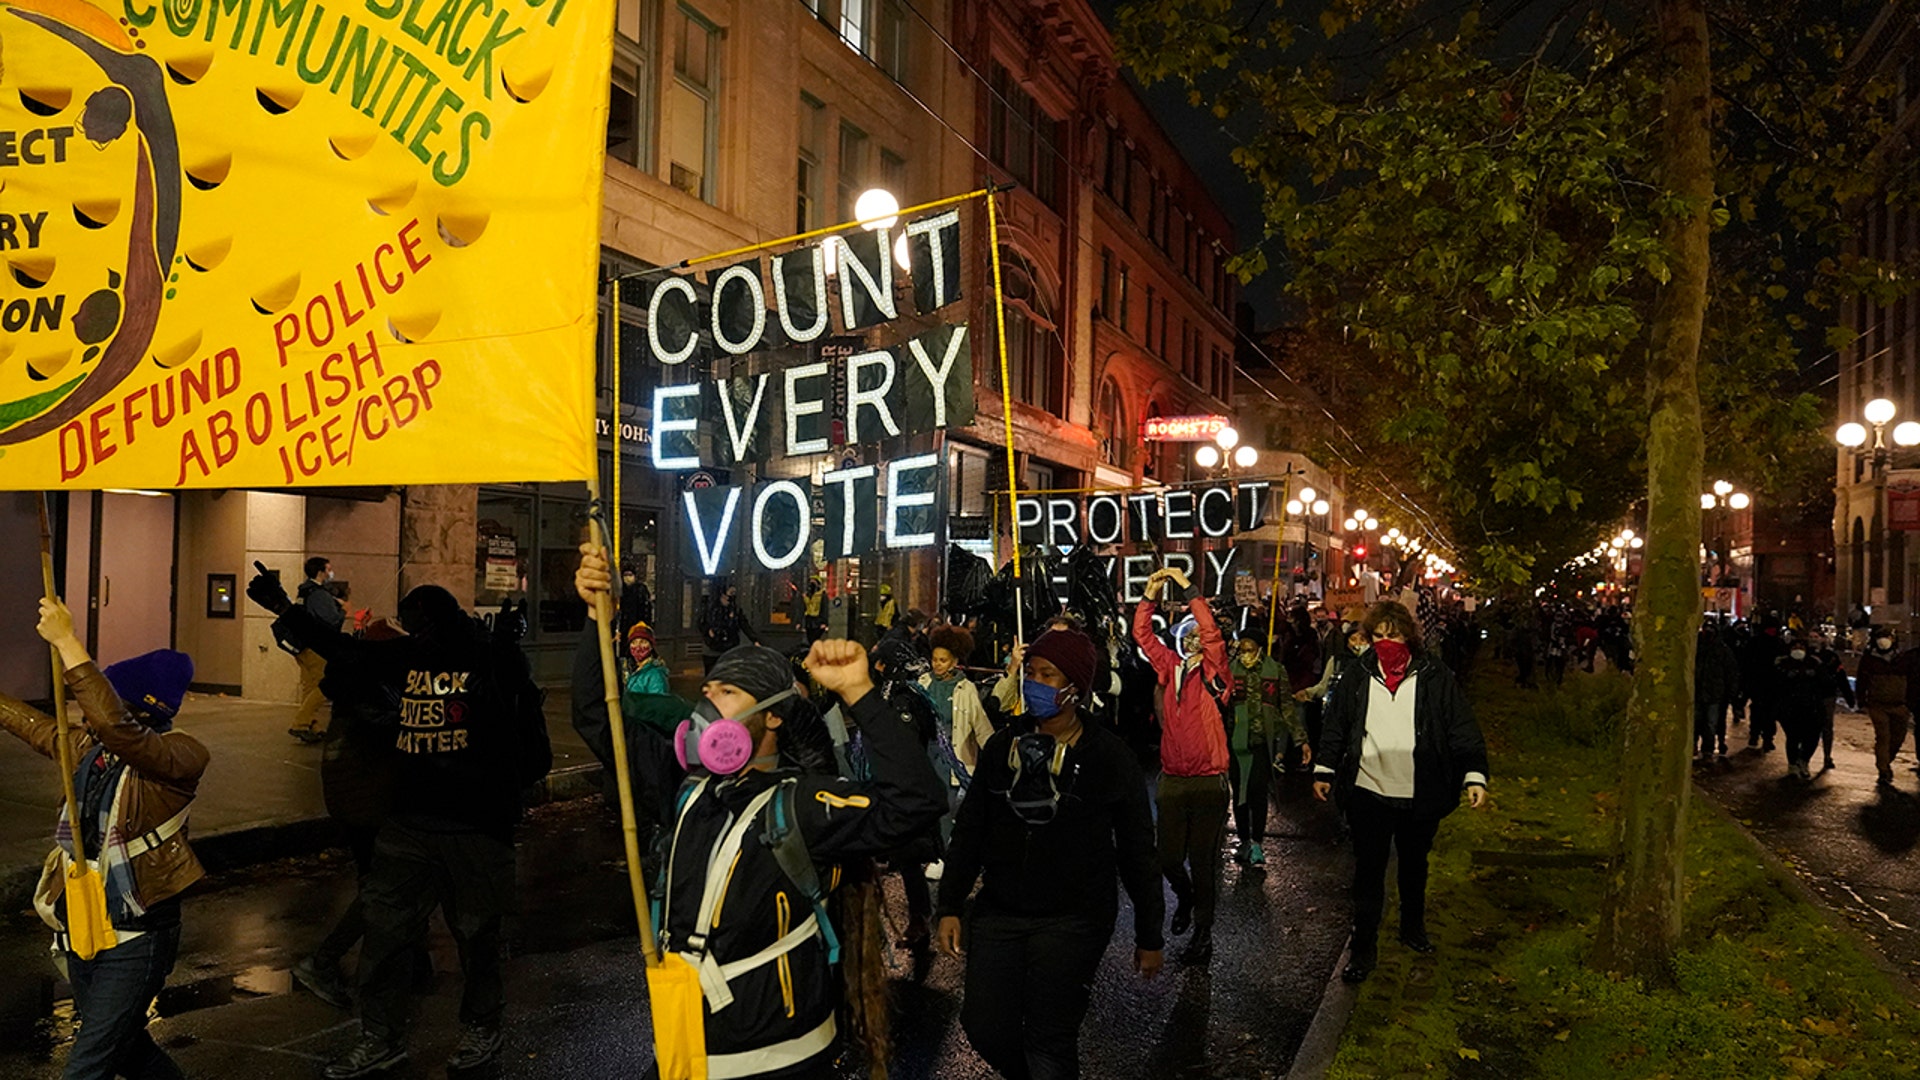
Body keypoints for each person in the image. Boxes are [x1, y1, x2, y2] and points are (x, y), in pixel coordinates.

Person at [576, 545, 947, 1079]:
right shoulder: (687, 788)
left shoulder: (800, 804)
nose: (706, 706)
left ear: (770, 718)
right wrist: (596, 615)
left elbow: (917, 802)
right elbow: (596, 716)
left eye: (727, 693)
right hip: (686, 1051)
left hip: (777, 1060)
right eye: (706, 691)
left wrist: (859, 694)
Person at [246, 572, 552, 1078]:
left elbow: (519, 715)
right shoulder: (410, 656)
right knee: (386, 936)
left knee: (476, 937)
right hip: (410, 823)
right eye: (410, 626)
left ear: (439, 621)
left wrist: (506, 648)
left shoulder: (486, 659)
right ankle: (380, 1037)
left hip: (475, 826)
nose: (416, 633)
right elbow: (343, 652)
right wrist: (285, 607)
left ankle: (482, 1026)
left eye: (419, 624)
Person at [935, 625, 1164, 1080]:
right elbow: (971, 831)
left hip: (1074, 920)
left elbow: (1139, 849)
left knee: (1049, 1038)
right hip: (1000, 914)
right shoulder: (1003, 747)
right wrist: (950, 904)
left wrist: (1149, 933)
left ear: (1075, 689)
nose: (1034, 683)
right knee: (983, 1026)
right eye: (1031, 672)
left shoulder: (1109, 757)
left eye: (1048, 675)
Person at [2, 600, 206, 1080]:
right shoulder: (90, 750)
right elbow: (36, 729)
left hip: (138, 933)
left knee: (87, 1065)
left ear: (134, 705)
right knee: (128, 1048)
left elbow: (119, 730)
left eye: (105, 696)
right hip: (84, 921)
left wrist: (67, 642)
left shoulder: (179, 756)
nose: (85, 713)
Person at [1314, 601, 1488, 984]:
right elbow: (1336, 724)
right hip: (1368, 790)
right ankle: (1363, 948)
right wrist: (1325, 767)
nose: (1386, 642)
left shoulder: (1433, 675)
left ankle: (1412, 926)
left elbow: (1460, 724)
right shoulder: (1358, 675)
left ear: (1408, 635)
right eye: (1378, 636)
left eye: (1393, 635)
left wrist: (1474, 773)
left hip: (1419, 791)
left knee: (1414, 865)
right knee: (1368, 872)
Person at [1132, 566, 1231, 966]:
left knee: (1204, 862)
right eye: (1186, 636)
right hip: (1173, 776)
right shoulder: (1168, 669)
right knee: (1168, 858)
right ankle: (1186, 897)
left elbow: (1212, 632)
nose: (1193, 641)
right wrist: (1150, 594)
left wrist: (1187, 587)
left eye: (1197, 638)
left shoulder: (1216, 672)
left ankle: (1203, 934)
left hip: (1209, 779)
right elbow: (1142, 635)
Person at [1227, 634, 1303, 866]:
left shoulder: (1276, 671)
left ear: (1260, 649)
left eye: (1249, 649)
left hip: (1262, 742)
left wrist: (1301, 739)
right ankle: (1244, 840)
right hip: (1236, 742)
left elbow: (1287, 707)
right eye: (1241, 650)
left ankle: (1257, 842)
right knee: (1240, 794)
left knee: (1258, 793)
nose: (1245, 655)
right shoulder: (1229, 670)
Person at [291, 556, 346, 743]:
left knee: (310, 687)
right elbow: (331, 621)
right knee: (325, 685)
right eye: (329, 569)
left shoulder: (305, 591)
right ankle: (300, 724)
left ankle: (311, 725)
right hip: (316, 646)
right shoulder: (319, 594)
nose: (331, 573)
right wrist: (344, 610)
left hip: (301, 646)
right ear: (321, 572)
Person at [1776, 641, 1844, 781]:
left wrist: (1817, 673)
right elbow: (1775, 684)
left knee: (1812, 737)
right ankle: (1793, 765)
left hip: (1812, 707)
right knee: (1793, 737)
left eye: (1801, 647)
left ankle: (1804, 760)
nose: (1798, 650)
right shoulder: (1783, 664)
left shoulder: (1814, 663)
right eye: (1795, 647)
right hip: (1791, 707)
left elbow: (1827, 682)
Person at [1857, 628, 1912, 788]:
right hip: (1877, 705)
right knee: (1883, 737)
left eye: (1886, 637)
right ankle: (1883, 769)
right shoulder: (1869, 659)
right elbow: (1862, 680)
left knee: (1898, 738)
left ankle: (1886, 761)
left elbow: (1912, 680)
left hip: (1899, 705)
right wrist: (1861, 700)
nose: (1883, 640)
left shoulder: (1902, 658)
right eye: (1880, 637)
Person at [1694, 620, 1740, 760]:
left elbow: (1731, 673)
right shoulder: (1697, 648)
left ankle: (1707, 748)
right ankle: (1695, 746)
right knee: (1698, 721)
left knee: (1710, 723)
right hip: (1700, 692)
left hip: (1714, 694)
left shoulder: (1722, 650)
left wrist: (1732, 693)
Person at [1809, 632, 1855, 771]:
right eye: (1811, 637)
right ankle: (1804, 756)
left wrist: (1849, 697)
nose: (1814, 639)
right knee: (1809, 726)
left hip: (1827, 695)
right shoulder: (1804, 655)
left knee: (1827, 726)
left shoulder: (1831, 657)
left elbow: (1841, 676)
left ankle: (1827, 756)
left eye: (1817, 636)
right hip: (1807, 696)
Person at [701, 581, 762, 673]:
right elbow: (702, 622)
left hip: (729, 645)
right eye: (727, 596)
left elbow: (744, 624)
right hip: (714, 647)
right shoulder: (712, 609)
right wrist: (709, 632)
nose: (728, 599)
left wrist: (754, 639)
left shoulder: (734, 609)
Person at [626, 622, 670, 696]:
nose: (638, 646)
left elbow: (658, 702)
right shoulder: (632, 669)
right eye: (634, 642)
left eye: (643, 642)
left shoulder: (655, 675)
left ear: (651, 646)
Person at [803, 577, 828, 643]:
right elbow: (804, 607)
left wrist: (824, 622)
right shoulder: (807, 595)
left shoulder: (822, 595)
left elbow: (825, 608)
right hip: (809, 621)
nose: (811, 585)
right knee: (810, 640)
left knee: (816, 640)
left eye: (814, 582)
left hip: (818, 621)